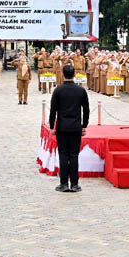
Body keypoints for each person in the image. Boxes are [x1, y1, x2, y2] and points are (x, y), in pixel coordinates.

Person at [49, 64, 90, 193]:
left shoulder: (58, 90)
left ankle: (63, 183)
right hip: (76, 127)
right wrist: (84, 125)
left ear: (62, 74)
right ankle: (74, 183)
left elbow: (53, 111)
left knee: (63, 155)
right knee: (73, 155)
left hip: (61, 127)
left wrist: (51, 126)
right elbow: (86, 110)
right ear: (75, 75)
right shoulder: (81, 90)